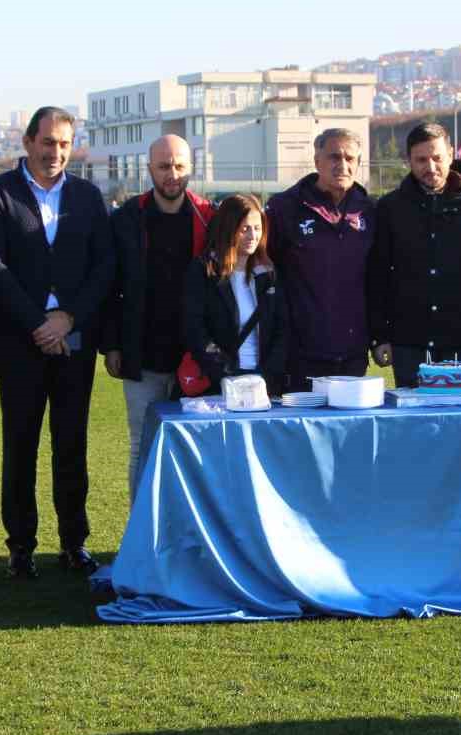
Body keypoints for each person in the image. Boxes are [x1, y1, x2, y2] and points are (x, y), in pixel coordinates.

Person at [0, 106, 114, 579]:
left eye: (64, 143)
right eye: (48, 142)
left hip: (74, 341)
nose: (56, 152)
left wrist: (68, 318)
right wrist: (40, 322)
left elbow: (103, 268)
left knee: (71, 445)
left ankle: (74, 543)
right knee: (21, 445)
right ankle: (21, 546)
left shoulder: (89, 196)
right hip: (20, 342)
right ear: (28, 141)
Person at [101, 135, 213, 504]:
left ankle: (185, 537)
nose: (172, 174)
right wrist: (113, 344)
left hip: (194, 358)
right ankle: (141, 539)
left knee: (193, 449)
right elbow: (110, 286)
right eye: (164, 166)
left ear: (190, 168)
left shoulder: (207, 216)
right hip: (142, 353)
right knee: (142, 447)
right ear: (149, 169)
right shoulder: (126, 218)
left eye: (179, 165)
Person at [368, 122, 461, 388]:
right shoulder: (390, 208)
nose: (430, 167)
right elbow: (377, 277)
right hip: (409, 342)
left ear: (451, 156)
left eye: (437, 158)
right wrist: (379, 335)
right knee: (414, 424)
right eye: (421, 160)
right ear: (408, 161)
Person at [265, 128, 376, 392]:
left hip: (353, 353)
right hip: (300, 353)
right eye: (334, 157)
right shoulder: (284, 209)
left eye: (350, 159)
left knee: (348, 430)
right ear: (317, 162)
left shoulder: (370, 211)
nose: (343, 165)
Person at [183, 194, 290, 395]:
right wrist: (227, 374)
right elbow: (195, 330)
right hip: (219, 386)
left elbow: (282, 328)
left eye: (257, 228)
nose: (253, 236)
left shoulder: (269, 273)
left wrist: (267, 375)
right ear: (228, 229)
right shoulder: (203, 271)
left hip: (264, 386)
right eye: (244, 229)